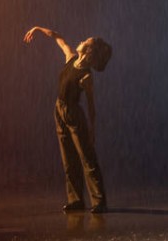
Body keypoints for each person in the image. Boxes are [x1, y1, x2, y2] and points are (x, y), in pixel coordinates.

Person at [23, 26, 112, 214]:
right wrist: (37, 29)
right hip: (59, 109)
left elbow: (91, 106)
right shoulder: (70, 57)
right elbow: (57, 37)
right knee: (68, 159)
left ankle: (99, 201)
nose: (81, 41)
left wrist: (92, 130)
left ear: (88, 51)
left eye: (85, 41)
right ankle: (76, 200)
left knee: (87, 158)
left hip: (74, 114)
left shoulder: (86, 76)